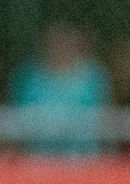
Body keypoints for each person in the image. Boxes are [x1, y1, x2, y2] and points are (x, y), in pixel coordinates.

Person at [9, 20, 111, 156]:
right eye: (57, 38)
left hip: (83, 159)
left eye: (68, 37)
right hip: (37, 159)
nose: (62, 44)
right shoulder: (28, 75)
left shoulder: (94, 75)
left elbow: (106, 123)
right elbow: (13, 124)